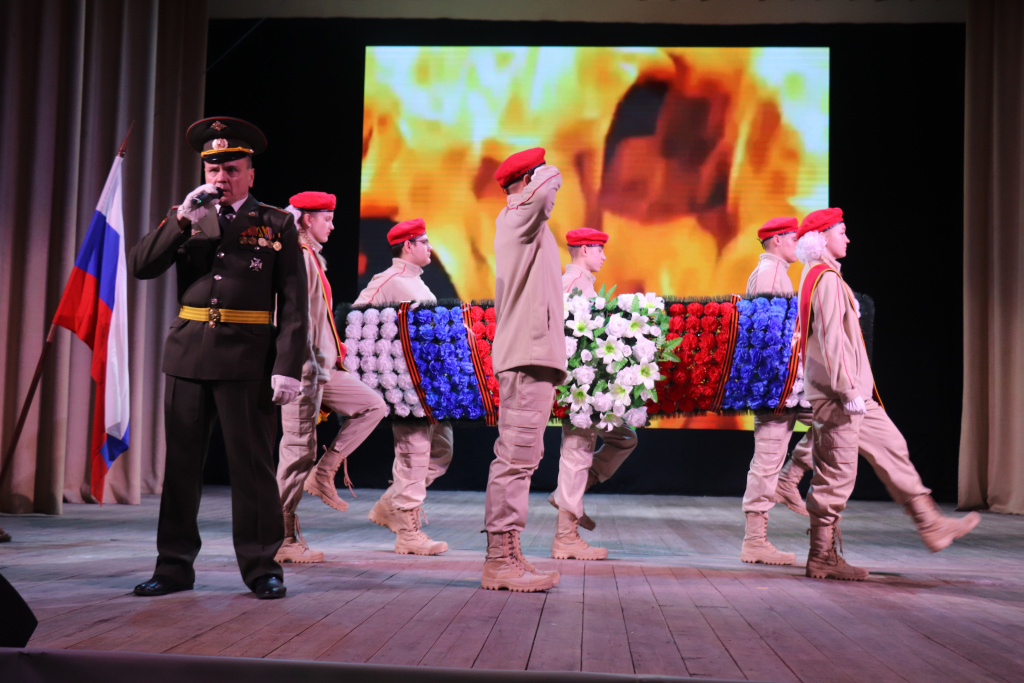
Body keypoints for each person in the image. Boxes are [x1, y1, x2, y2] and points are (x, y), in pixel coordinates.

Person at [129, 117, 307, 599]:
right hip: (189, 356)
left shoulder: (276, 222)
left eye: (231, 169)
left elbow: (295, 304)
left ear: (250, 173)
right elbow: (142, 265)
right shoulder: (188, 215)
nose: (221, 178)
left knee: (252, 469)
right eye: (213, 169)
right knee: (181, 468)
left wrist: (287, 368)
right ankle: (173, 567)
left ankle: (261, 567)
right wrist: (181, 221)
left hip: (248, 358)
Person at [795, 207, 980, 581]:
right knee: (836, 475)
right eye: (841, 232)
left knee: (892, 445)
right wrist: (847, 389)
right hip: (840, 395)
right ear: (822, 238)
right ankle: (822, 556)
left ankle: (930, 523)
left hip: (854, 395)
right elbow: (832, 340)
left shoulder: (827, 277)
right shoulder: (824, 280)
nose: (848, 238)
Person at [274, 191, 387, 564]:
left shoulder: (311, 256)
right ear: (306, 219)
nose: (333, 225)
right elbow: (293, 319)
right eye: (326, 218)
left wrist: (334, 353)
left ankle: (324, 472)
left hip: (323, 367)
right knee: (297, 451)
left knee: (372, 405)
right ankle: (281, 537)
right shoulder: (297, 256)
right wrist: (299, 365)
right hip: (303, 367)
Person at [482, 147, 567, 592]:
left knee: (524, 458)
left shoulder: (527, 223)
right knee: (515, 458)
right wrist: (540, 171)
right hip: (525, 357)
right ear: (527, 181)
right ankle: (499, 560)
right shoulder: (518, 216)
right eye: (535, 175)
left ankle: (510, 551)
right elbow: (548, 185)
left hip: (535, 356)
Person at [354, 218, 453, 556]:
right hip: (406, 385)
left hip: (429, 384)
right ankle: (408, 532)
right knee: (414, 452)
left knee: (441, 451)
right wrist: (387, 362)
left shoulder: (418, 283)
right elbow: (355, 319)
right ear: (408, 245)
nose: (430, 247)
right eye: (424, 242)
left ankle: (390, 506)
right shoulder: (389, 280)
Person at [549, 227, 637, 561]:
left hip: (589, 387)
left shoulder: (583, 282)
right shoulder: (571, 283)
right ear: (585, 249)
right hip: (576, 388)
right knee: (576, 454)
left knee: (624, 437)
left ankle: (569, 495)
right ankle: (565, 536)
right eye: (600, 249)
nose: (604, 256)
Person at [740, 217, 815, 566]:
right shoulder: (770, 273)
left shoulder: (776, 272)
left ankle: (791, 477)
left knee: (833, 421)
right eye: (794, 238)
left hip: (785, 384)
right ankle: (755, 540)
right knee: (767, 459)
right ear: (778, 240)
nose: (798, 244)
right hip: (777, 385)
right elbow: (769, 335)